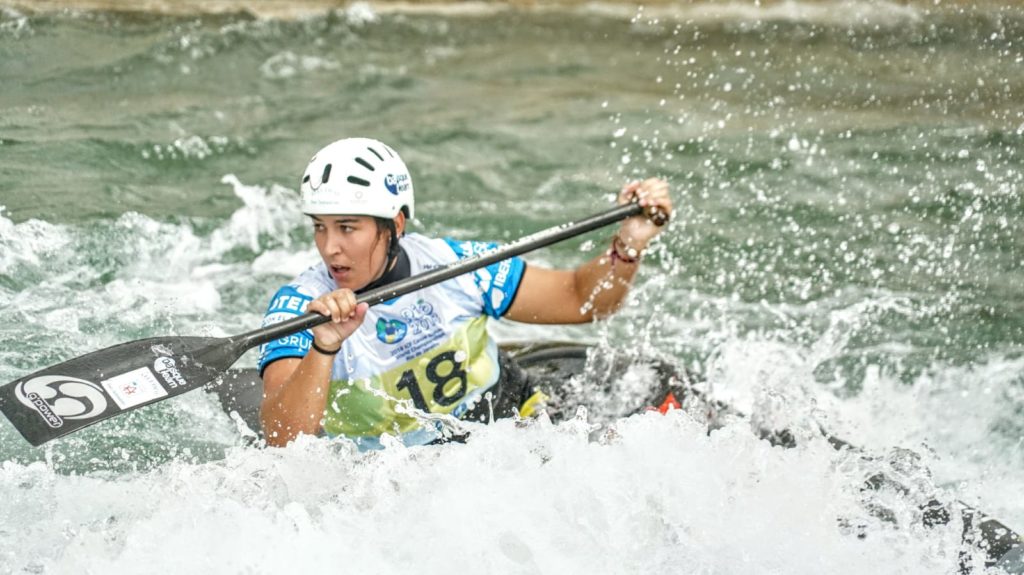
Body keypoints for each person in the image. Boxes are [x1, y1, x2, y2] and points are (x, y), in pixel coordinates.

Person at [258, 137, 673, 449]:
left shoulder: (455, 266)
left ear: (396, 224)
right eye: (319, 226)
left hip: (508, 428)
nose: (330, 246)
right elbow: (281, 439)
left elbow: (582, 299)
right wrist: (325, 346)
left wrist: (629, 244)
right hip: (394, 472)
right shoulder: (300, 308)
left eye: (347, 227)